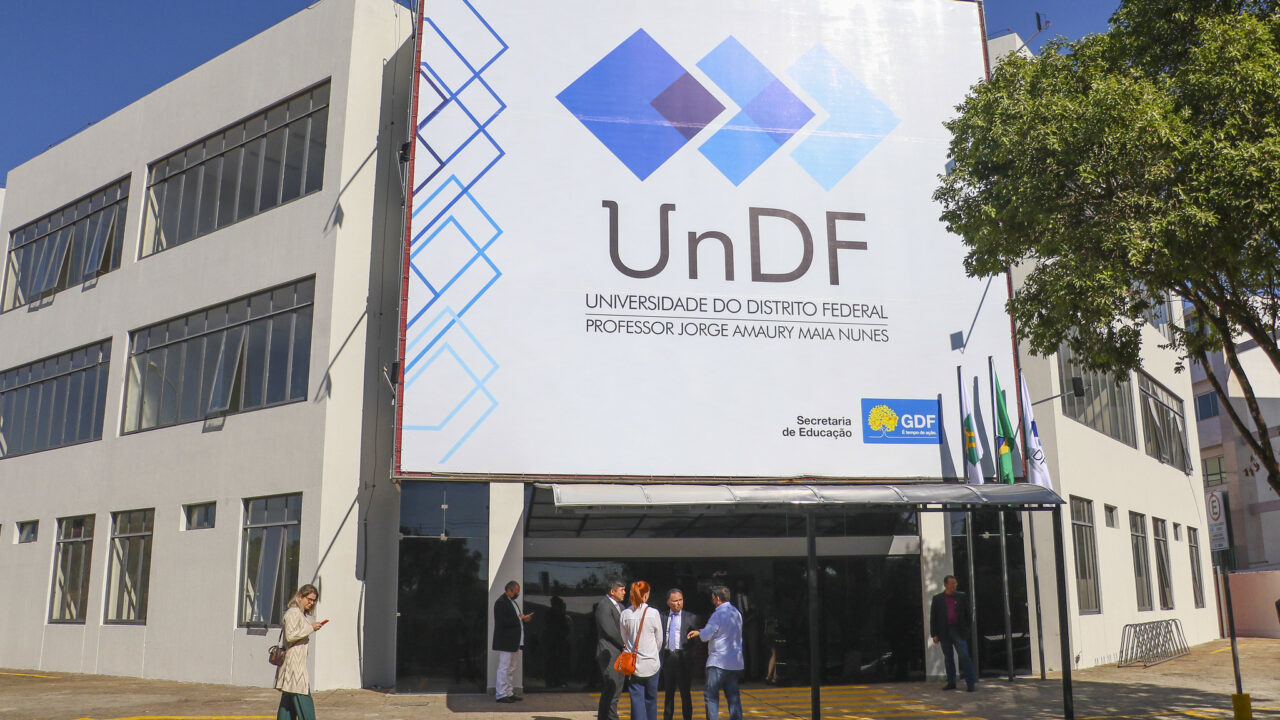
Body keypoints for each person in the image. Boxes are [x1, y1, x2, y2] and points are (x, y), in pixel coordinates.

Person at [686, 586, 743, 720]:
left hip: (718, 661)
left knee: (711, 697)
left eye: (712, 598)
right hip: (734, 661)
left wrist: (699, 632)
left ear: (717, 598)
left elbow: (706, 635)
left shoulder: (717, 615)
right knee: (733, 696)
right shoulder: (737, 613)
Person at [274, 584, 328, 720]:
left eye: (314, 600)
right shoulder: (293, 612)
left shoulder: (299, 613)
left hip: (295, 663)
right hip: (294, 665)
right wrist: (311, 628)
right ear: (300, 596)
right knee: (303, 698)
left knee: (287, 706)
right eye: (309, 599)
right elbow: (290, 636)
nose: (311, 603)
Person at [621, 581, 663, 720]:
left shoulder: (625, 614)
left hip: (634, 665)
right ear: (646, 594)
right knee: (651, 700)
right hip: (652, 663)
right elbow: (659, 640)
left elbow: (624, 638)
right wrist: (653, 652)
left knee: (637, 701)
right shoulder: (653, 613)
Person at [930, 575, 976, 692]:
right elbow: (933, 617)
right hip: (944, 631)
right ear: (945, 585)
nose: (954, 586)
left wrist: (967, 630)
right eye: (951, 584)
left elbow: (968, 614)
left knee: (964, 656)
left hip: (958, 631)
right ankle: (951, 682)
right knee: (948, 657)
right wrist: (934, 634)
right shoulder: (937, 599)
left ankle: (970, 683)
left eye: (955, 583)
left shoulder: (961, 596)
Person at [660, 589, 700, 720]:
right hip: (668, 657)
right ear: (668, 602)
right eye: (675, 601)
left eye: (680, 600)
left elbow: (696, 641)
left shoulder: (691, 617)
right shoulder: (662, 617)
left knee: (685, 694)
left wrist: (690, 656)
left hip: (683, 658)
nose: (678, 603)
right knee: (668, 693)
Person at [493, 580, 532, 703]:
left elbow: (515, 619)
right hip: (506, 641)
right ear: (508, 590)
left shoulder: (512, 602)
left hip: (516, 641)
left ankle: (509, 692)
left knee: (512, 668)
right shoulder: (501, 602)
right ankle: (500, 694)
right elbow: (502, 622)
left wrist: (523, 618)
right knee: (504, 668)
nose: (517, 594)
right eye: (515, 592)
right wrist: (519, 619)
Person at [596, 580, 628, 720]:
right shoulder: (604, 605)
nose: (624, 593)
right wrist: (624, 644)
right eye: (621, 590)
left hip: (619, 653)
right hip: (609, 652)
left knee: (615, 689)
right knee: (612, 687)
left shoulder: (621, 606)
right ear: (612, 591)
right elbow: (610, 630)